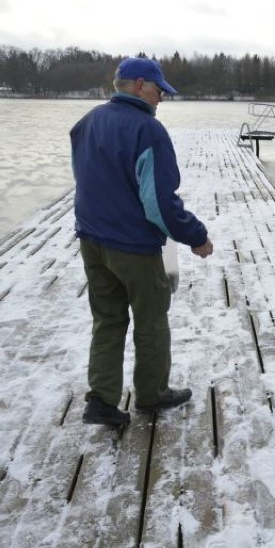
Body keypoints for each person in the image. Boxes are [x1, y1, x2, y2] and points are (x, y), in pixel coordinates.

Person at [71, 57, 214, 426]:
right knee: (151, 321)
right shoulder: (148, 131)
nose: (162, 98)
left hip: (92, 241)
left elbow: (86, 179)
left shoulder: (87, 122)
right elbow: (160, 204)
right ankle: (152, 395)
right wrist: (196, 236)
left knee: (108, 319)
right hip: (133, 246)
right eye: (158, 90)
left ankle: (101, 400)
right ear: (138, 86)